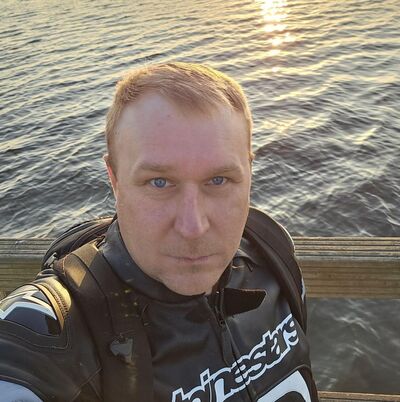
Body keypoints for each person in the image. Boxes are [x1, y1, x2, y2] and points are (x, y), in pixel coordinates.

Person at [0, 62, 318, 401]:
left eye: (218, 180)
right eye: (159, 182)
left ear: (249, 173)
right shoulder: (44, 335)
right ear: (115, 180)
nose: (193, 227)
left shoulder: (271, 251)